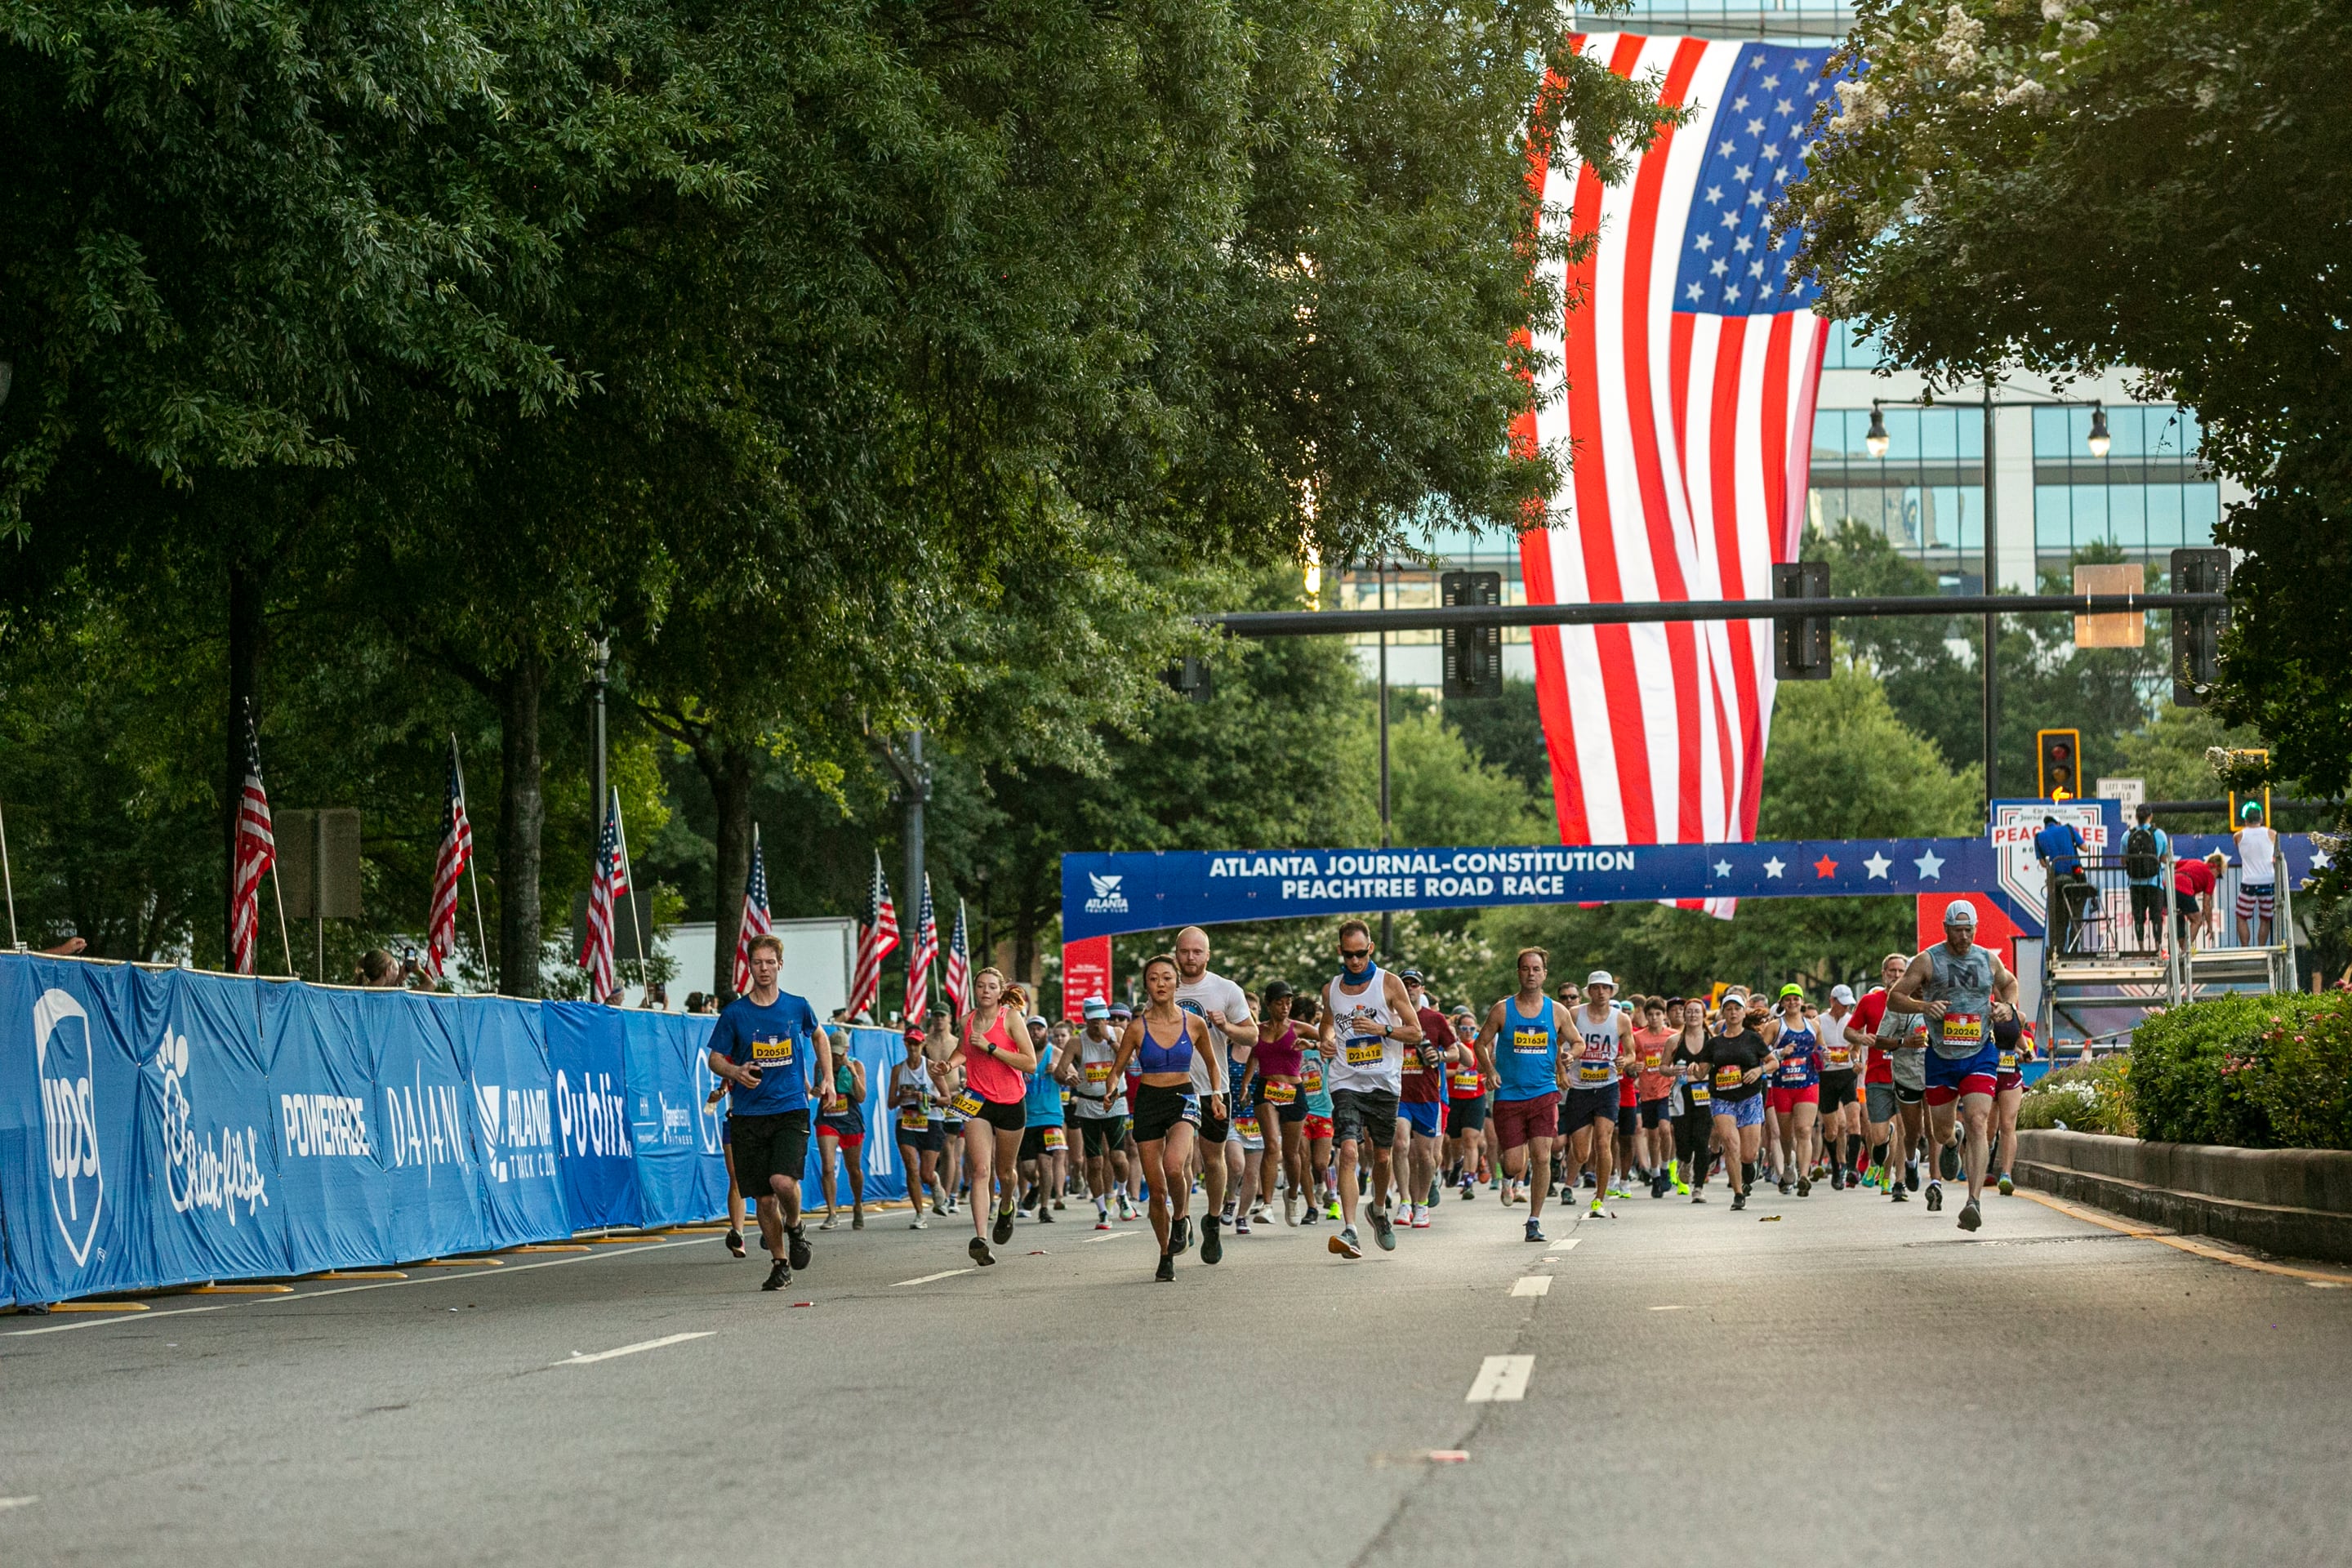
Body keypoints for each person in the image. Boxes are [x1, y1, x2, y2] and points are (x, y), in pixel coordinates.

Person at [706, 932, 833, 1290]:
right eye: (757, 963)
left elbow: (820, 1036)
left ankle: (795, 1225)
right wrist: (735, 1071)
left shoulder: (796, 1006)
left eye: (769, 963)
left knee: (782, 1182)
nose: (764, 969)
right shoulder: (736, 1013)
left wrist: (828, 1081)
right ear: (750, 966)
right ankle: (780, 1263)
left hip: (791, 1107)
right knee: (763, 1197)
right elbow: (715, 1057)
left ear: (780, 965)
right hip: (749, 1114)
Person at [1888, 899, 2023, 1232]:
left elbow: (2009, 983)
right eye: (1957, 930)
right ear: (1946, 929)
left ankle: (1972, 1202)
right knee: (1942, 1130)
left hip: (1980, 1052)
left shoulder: (1988, 959)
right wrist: (1924, 1005)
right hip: (1941, 1058)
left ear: (1975, 930)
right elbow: (1895, 996)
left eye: (1968, 930)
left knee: (1978, 1121)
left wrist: (2007, 1006)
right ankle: (1951, 1142)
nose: (1963, 937)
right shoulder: (1928, 960)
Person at [1103, 954, 1222, 1281]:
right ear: (1146, 985)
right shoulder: (1137, 1028)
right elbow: (1117, 1071)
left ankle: (1181, 1217)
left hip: (1183, 1097)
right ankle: (1165, 1253)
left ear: (1177, 983)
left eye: (1167, 978)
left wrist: (1216, 1096)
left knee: (1174, 1165)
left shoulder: (1194, 1023)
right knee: (1155, 1191)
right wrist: (1111, 1089)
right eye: (1154, 978)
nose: (1160, 984)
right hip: (1148, 1101)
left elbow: (1212, 1064)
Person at [1316, 920, 1424, 1258]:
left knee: (1382, 1156)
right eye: (1348, 956)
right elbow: (1326, 1027)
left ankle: (1378, 1210)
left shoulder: (1388, 983)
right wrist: (1327, 1042)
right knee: (1348, 1151)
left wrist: (1382, 1029)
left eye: (1360, 954)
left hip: (1384, 1082)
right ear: (1340, 952)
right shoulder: (1331, 988)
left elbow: (1416, 1032)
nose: (1355, 962)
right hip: (1346, 1079)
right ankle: (1350, 1230)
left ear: (1371, 949)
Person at [1173, 927, 1258, 1266]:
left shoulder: (1226, 989)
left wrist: (1226, 1028)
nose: (1190, 958)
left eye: (1197, 952)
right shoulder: (1164, 986)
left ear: (1208, 955)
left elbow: (1252, 1036)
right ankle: (1181, 1218)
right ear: (1176, 953)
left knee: (1212, 1159)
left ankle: (1211, 1220)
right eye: (1184, 952)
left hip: (1213, 1088)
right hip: (1175, 1086)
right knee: (1176, 1160)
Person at [946, 969, 1040, 1266]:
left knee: (1005, 1173)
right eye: (980, 986)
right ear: (974, 989)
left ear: (1000, 992)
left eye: (991, 987)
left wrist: (992, 1047)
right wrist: (948, 1064)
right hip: (978, 1100)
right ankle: (981, 1239)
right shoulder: (967, 1020)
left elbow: (1030, 1063)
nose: (985, 991)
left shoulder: (1010, 1018)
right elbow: (964, 1050)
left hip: (1011, 1101)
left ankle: (1007, 1204)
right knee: (980, 1170)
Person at [1474, 947, 1570, 1241]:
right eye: (1526, 969)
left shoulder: (1557, 1011)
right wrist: (1490, 1071)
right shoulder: (1503, 1009)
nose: (1531, 974)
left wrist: (1569, 1058)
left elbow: (1576, 1042)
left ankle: (1534, 1220)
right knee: (1515, 1164)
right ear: (1519, 973)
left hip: (1543, 1092)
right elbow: (1480, 1044)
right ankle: (1509, 1178)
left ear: (1545, 974)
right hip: (1510, 1096)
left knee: (1542, 1156)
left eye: (1536, 969)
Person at [1696, 993, 1779, 1211]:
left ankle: (1751, 1163)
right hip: (1722, 1099)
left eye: (1737, 1009)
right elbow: (1701, 1071)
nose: (1733, 1013)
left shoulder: (1753, 1039)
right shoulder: (1714, 1043)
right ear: (1723, 1013)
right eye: (1728, 1009)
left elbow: (1773, 1063)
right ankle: (1738, 1193)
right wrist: (1694, 1069)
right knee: (1731, 1145)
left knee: (1748, 1153)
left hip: (1749, 1098)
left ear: (1743, 1013)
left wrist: (1758, 1070)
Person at [1562, 970, 1633, 1219]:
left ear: (1612, 991)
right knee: (1581, 1152)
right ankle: (1574, 1171)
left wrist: (1626, 1059)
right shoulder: (1574, 1014)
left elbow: (1632, 1054)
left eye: (1605, 988)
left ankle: (1598, 1199)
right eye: (1596, 988)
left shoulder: (1621, 1019)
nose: (1601, 992)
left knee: (1603, 1141)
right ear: (1589, 991)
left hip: (1608, 1086)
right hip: (1580, 1088)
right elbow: (1557, 1042)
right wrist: (1562, 1066)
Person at [1248, 981, 1312, 1226]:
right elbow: (1253, 1056)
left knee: (1291, 1153)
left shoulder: (1298, 1028)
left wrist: (1314, 1045)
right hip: (1267, 1089)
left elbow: (1330, 1037)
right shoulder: (1259, 1030)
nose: (1285, 1007)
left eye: (1289, 1003)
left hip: (1293, 1091)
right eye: (1279, 1003)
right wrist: (1245, 1084)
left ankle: (1293, 1197)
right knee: (1272, 1145)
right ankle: (1266, 1205)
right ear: (1268, 1004)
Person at [1397, 969, 1456, 1229]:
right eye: (1405, 984)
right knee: (1400, 1145)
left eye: (1414, 985)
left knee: (1424, 1155)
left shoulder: (1434, 1019)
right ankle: (1404, 1201)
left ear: (1422, 990)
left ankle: (1422, 1204)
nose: (1410, 988)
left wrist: (1439, 1057)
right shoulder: (1390, 1018)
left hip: (1427, 1095)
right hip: (1398, 1094)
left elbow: (1454, 1052)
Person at [1071, 998, 1135, 1229]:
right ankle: (1102, 1211)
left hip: (1115, 1102)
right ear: (1086, 1019)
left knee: (1118, 1158)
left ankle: (1123, 1194)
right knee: (1095, 1162)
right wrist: (1068, 1074)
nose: (1098, 1023)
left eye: (1102, 1018)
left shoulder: (1117, 1032)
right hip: (1088, 1105)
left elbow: (1130, 1061)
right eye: (1094, 1019)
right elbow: (1060, 1070)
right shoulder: (1076, 1041)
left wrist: (1111, 1040)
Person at [1755, 984, 1823, 1196]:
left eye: (1796, 999)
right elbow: (1759, 1052)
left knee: (1804, 1130)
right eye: (1788, 999)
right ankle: (1787, 1164)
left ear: (1802, 1001)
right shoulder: (1775, 1026)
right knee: (1786, 1135)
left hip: (1808, 1083)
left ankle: (1803, 1176)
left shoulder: (1813, 1025)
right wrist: (1779, 1052)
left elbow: (1821, 1048)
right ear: (1782, 1003)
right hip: (1782, 1084)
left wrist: (1824, 1055)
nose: (1793, 1002)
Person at [889, 1024, 943, 1228]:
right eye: (909, 1043)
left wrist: (928, 1097)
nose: (913, 1048)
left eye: (916, 1044)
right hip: (906, 1120)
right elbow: (890, 1103)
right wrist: (901, 1096)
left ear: (923, 1044)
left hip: (931, 1120)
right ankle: (920, 1214)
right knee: (912, 1168)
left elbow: (946, 1098)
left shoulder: (931, 1068)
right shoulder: (898, 1070)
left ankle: (935, 1182)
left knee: (926, 1174)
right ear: (905, 1044)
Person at [1016, 1015, 1067, 1223]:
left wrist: (1058, 1072)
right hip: (1026, 1118)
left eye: (1039, 1029)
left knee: (1046, 1163)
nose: (1035, 1032)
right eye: (1032, 1029)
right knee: (1028, 1168)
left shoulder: (1055, 1053)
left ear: (1046, 1032)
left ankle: (1045, 1207)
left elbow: (1071, 1077)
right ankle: (1035, 1187)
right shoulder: (1019, 1055)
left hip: (1051, 1117)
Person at [814, 1040, 868, 1230]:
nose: (835, 1059)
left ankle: (858, 1205)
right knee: (828, 1166)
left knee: (853, 1169)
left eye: (839, 1055)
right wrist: (815, 1090)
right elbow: (816, 1090)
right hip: (827, 1120)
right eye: (833, 1055)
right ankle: (832, 1213)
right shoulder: (820, 1064)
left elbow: (861, 1097)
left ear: (846, 1051)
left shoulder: (857, 1065)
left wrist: (852, 1073)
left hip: (851, 1120)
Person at [1293, 993, 1338, 1222]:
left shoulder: (1321, 1043)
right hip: (1300, 1110)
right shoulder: (1290, 1045)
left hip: (1324, 1110)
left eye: (1305, 1020)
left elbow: (1337, 1050)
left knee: (1321, 1162)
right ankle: (1311, 1207)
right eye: (1297, 1019)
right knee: (1303, 1159)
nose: (1301, 1025)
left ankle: (1332, 1192)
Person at [1667, 999, 1715, 1200]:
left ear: (1704, 1015)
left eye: (1697, 1012)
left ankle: (1698, 1188)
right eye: (1689, 1012)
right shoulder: (1674, 1041)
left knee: (1702, 1141)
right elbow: (1662, 1067)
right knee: (1683, 1140)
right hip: (1681, 1095)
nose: (1693, 1015)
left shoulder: (1712, 1040)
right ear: (1684, 1016)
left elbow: (1719, 1066)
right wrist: (1672, 1070)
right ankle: (1685, 1161)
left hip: (1706, 1095)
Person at [1632, 997, 1679, 1198]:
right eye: (1650, 1014)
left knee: (1665, 1129)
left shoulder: (1674, 1035)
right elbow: (1631, 1062)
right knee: (1651, 1135)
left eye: (1658, 1014)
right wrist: (1634, 1068)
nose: (1654, 1018)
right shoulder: (1639, 1037)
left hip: (1667, 1089)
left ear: (1664, 1016)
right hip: (1647, 1090)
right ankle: (1656, 1174)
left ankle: (1667, 1167)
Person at [1818, 984, 1864, 1188]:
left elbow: (1855, 1050)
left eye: (1849, 1005)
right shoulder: (1819, 1022)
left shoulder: (1852, 1022)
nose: (1846, 1009)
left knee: (1854, 1122)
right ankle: (1836, 1168)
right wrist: (1820, 1054)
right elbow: (1813, 1049)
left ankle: (1852, 1168)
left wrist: (1856, 1062)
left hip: (1846, 1075)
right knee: (1831, 1130)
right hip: (1827, 1077)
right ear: (1832, 1001)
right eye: (1842, 1004)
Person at [1444, 1004, 1489, 1202]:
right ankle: (1458, 1162)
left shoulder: (1480, 1047)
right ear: (1458, 1029)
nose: (1468, 1032)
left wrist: (1488, 1076)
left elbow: (1489, 1068)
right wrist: (1456, 1072)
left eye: (1472, 1029)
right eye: (1464, 1028)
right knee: (1455, 1142)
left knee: (1470, 1138)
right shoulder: (1451, 1047)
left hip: (1475, 1098)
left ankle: (1468, 1180)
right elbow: (1438, 1073)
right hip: (1454, 1098)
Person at [1989, 1013, 2034, 1196]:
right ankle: (1983, 1166)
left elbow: (2020, 1042)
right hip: (1988, 1072)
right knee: (1988, 1130)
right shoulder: (1984, 1011)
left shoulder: (2019, 1017)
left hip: (2010, 1073)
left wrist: (2025, 1053)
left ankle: (2006, 1175)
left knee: (2007, 1124)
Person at [2034, 814, 2091, 955]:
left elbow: (2043, 863)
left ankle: (2058, 951)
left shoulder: (2039, 837)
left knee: (2060, 919)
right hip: (2076, 877)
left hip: (2057, 882)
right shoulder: (2068, 829)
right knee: (2076, 915)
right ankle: (2074, 950)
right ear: (2058, 823)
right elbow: (2085, 848)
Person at [2122, 804, 2172, 952]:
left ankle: (2141, 949)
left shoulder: (2127, 836)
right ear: (2151, 816)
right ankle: (2158, 947)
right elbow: (2164, 858)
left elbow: (2123, 860)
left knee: (2138, 917)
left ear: (2136, 817)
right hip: (2154, 883)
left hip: (2135, 884)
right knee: (2156, 916)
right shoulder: (2159, 835)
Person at [2235, 801, 2282, 947]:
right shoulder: (2272, 834)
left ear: (2246, 820)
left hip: (2249, 881)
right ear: (2261, 819)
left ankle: (2245, 948)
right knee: (2265, 918)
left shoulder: (2238, 836)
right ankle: (2261, 947)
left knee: (2241, 916)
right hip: (2268, 880)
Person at [2172, 849, 2225, 950]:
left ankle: (2182, 949)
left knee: (2179, 915)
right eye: (2218, 874)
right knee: (2197, 920)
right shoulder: (2210, 877)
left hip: (2169, 885)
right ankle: (2185, 952)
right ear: (2215, 868)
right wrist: (2210, 926)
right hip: (2184, 886)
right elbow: (2206, 904)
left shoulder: (2194, 862)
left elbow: (2173, 864)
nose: (2216, 878)